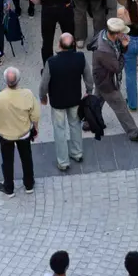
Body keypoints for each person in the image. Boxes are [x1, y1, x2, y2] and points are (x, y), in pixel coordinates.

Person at [39, 31, 93, 171]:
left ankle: (63, 162)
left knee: (59, 130)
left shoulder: (51, 62)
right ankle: (77, 153)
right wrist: (89, 90)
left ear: (59, 45)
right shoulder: (80, 58)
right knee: (75, 124)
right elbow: (88, 76)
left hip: (57, 101)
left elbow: (44, 83)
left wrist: (42, 96)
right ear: (74, 45)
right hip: (74, 98)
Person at [0, 65, 41, 196]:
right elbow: (35, 114)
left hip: (5, 135)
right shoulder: (27, 94)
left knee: (7, 161)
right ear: (18, 80)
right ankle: (29, 184)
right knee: (26, 158)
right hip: (24, 133)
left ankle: (9, 188)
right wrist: (35, 127)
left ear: (5, 81)